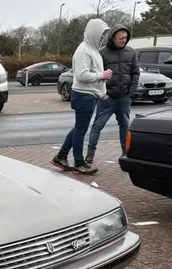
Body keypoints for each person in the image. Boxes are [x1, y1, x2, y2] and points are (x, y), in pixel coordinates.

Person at [51, 18, 112, 175]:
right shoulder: (83, 51)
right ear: (93, 33)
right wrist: (102, 75)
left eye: (104, 35)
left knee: (79, 128)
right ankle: (79, 163)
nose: (102, 38)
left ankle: (61, 157)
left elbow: (91, 75)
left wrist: (102, 91)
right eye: (101, 34)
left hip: (89, 96)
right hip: (83, 96)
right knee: (80, 130)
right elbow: (82, 74)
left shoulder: (92, 50)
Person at [85, 25, 139, 164]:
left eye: (125, 38)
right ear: (113, 37)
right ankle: (90, 155)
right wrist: (102, 93)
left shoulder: (131, 52)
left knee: (125, 127)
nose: (123, 40)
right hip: (107, 98)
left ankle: (126, 153)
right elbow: (96, 74)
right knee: (97, 126)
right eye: (121, 38)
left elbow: (135, 73)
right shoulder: (102, 53)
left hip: (124, 98)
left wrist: (130, 93)